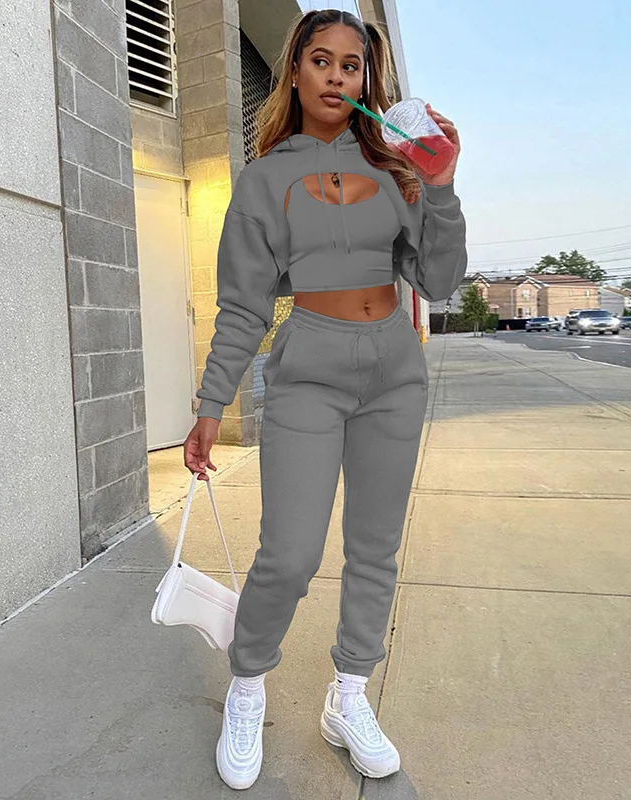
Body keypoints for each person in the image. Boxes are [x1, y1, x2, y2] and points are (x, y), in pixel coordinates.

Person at [183, 8, 467, 790]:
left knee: (375, 548)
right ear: (295, 72)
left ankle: (348, 697)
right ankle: (248, 684)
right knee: (291, 552)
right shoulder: (264, 180)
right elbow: (243, 306)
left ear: (366, 79)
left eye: (351, 64)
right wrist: (211, 405)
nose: (337, 76)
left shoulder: (397, 170)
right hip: (308, 366)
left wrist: (440, 187)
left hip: (392, 373)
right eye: (321, 60)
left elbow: (439, 279)